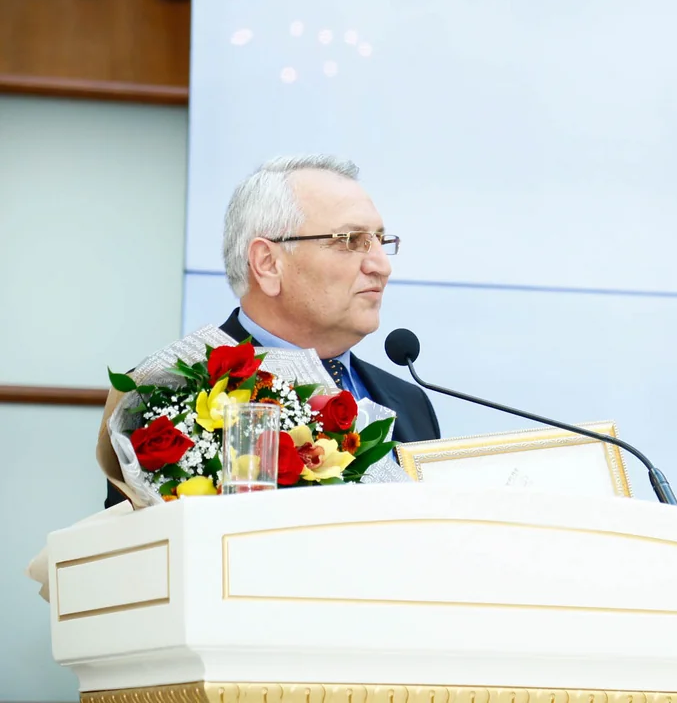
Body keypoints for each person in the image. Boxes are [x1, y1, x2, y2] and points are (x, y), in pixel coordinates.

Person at [104, 155, 440, 507]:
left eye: (381, 241)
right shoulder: (164, 396)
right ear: (267, 263)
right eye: (351, 240)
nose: (381, 266)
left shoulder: (410, 401)